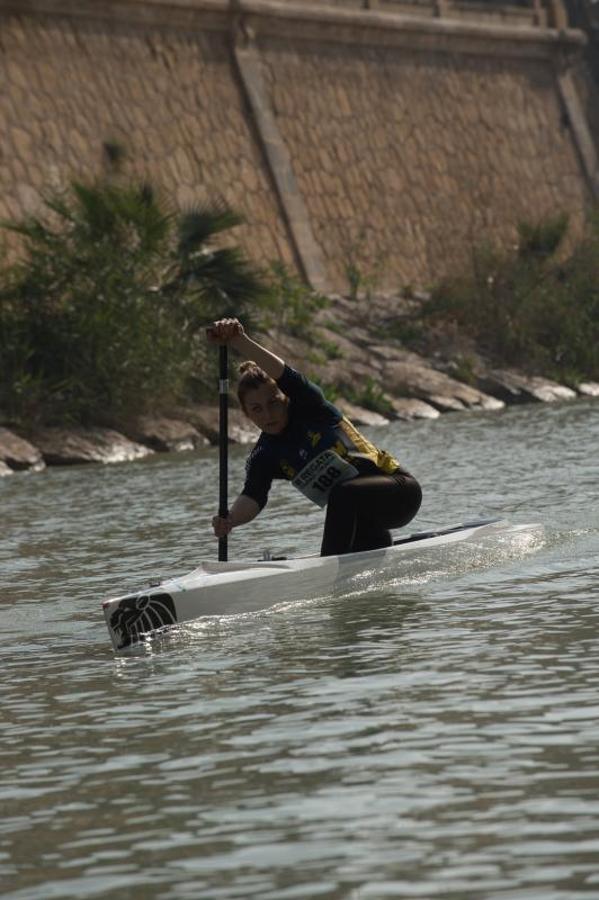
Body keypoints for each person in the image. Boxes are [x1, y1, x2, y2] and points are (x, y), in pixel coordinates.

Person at [207, 318, 422, 557]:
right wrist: (231, 520)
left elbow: (283, 372)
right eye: (257, 409)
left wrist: (239, 340)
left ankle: (327, 570)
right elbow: (252, 496)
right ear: (247, 414)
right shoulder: (264, 454)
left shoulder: (311, 407)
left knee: (343, 493)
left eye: (274, 403)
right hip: (364, 521)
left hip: (400, 493)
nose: (268, 414)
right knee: (353, 529)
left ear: (287, 398)